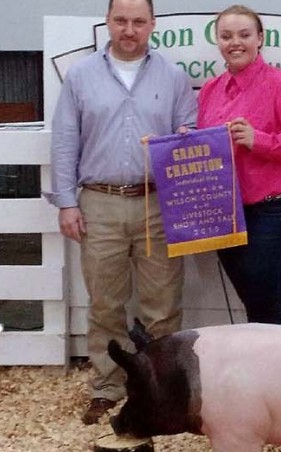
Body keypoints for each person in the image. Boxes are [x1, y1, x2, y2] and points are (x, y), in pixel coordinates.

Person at [49, 0, 197, 425]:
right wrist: (66, 202)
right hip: (99, 202)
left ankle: (163, 387)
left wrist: (185, 142)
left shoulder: (173, 77)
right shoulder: (80, 76)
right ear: (108, 23)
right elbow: (64, 142)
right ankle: (108, 386)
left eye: (138, 21)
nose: (129, 29)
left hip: (158, 202)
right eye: (120, 20)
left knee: (163, 303)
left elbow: (189, 136)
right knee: (105, 303)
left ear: (152, 25)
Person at [197, 5, 281, 326]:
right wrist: (189, 142)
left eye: (244, 34)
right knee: (258, 304)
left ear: (260, 38)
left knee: (263, 301)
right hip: (228, 214)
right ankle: (280, 369)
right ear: (217, 41)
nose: (235, 42)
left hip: (278, 211)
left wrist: (261, 140)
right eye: (226, 36)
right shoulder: (210, 91)